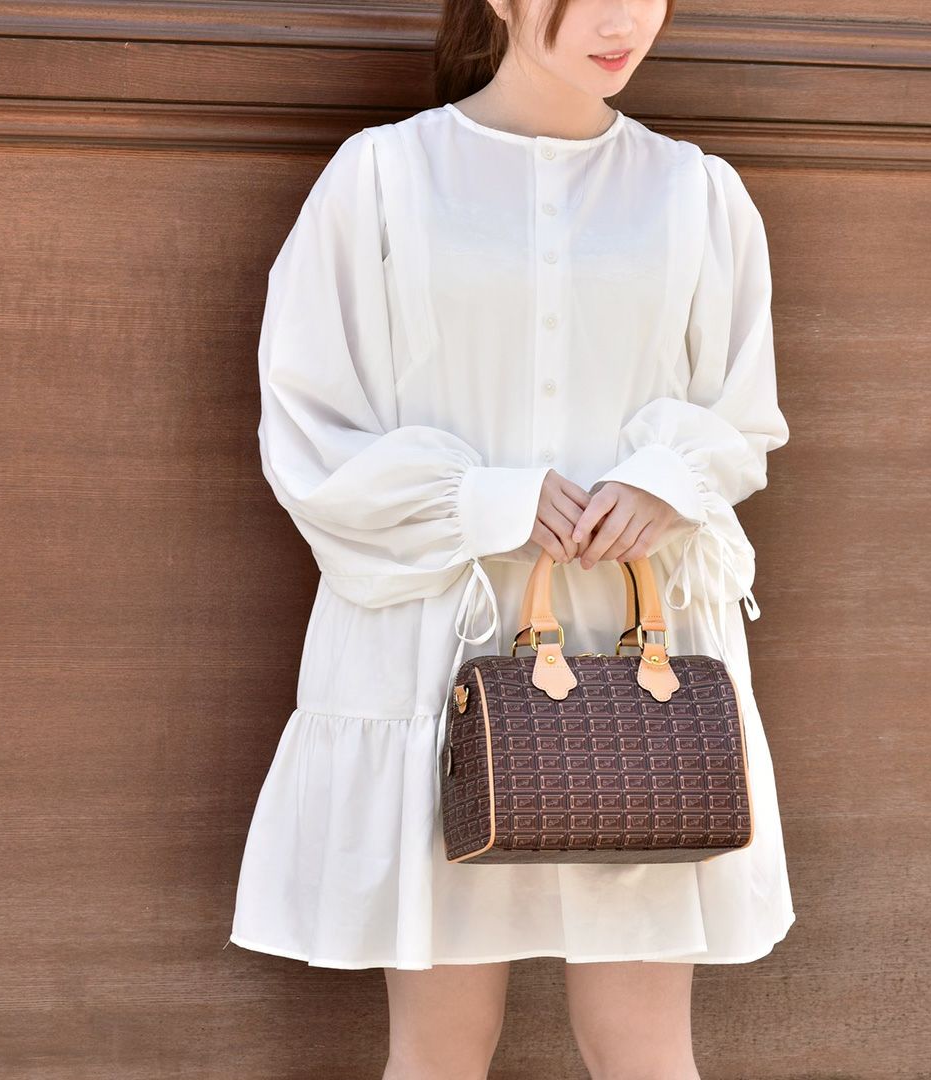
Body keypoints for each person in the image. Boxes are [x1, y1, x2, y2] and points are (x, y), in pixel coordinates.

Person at [228, 0, 797, 1075]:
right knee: (440, 1047)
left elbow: (742, 413)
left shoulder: (696, 193)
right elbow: (309, 427)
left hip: (645, 662)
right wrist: (484, 500)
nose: (623, 21)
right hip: (437, 638)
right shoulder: (383, 178)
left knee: (644, 1044)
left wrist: (665, 482)